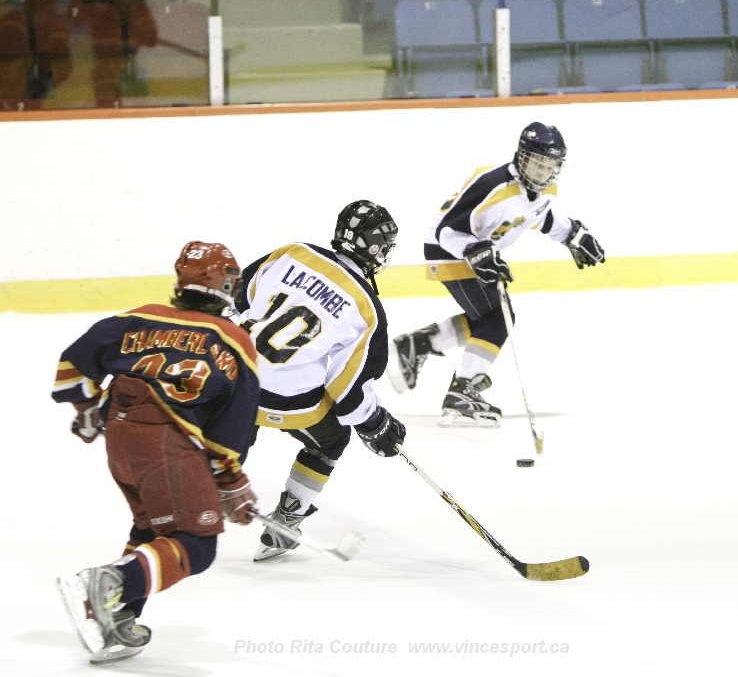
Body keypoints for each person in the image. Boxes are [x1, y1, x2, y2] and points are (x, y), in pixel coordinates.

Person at [53, 241, 260, 664]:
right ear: (222, 285)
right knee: (196, 543)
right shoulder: (235, 340)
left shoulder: (138, 317)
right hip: (167, 444)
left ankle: (116, 616)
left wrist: (87, 409)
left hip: (119, 438)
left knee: (153, 526)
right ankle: (112, 583)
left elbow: (72, 365)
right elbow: (232, 427)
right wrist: (231, 481)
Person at [387, 122, 606, 427]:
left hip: (474, 251)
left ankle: (419, 344)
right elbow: (447, 231)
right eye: (537, 163)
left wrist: (571, 233)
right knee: (498, 318)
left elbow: (540, 215)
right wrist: (475, 252)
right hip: (449, 249)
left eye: (550, 166)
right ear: (521, 156)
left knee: (487, 320)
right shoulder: (493, 184)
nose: (542, 172)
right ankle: (461, 392)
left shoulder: (542, 190)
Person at [233, 200, 407, 562]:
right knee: (331, 439)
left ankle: (195, 494)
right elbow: (348, 391)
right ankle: (286, 522)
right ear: (374, 249)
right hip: (285, 399)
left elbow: (239, 295)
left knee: (231, 432)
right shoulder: (367, 307)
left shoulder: (292, 253)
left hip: (233, 377)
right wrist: (376, 423)